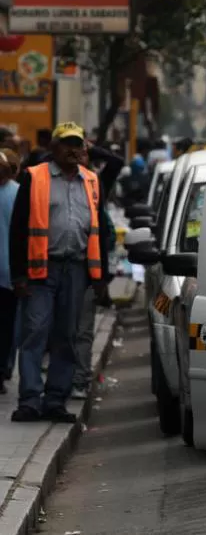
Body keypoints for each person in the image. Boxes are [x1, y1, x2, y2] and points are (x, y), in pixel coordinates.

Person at [8, 122, 111, 423]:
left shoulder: (91, 181)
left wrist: (101, 277)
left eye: (77, 144)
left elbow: (100, 232)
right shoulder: (34, 177)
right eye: (66, 143)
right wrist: (19, 275)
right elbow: (18, 229)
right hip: (42, 270)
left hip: (76, 270)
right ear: (53, 148)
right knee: (35, 333)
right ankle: (29, 400)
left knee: (67, 335)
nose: (72, 149)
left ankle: (55, 399)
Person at [71, 142, 124, 399]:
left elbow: (116, 162)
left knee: (83, 329)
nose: (77, 158)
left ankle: (79, 380)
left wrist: (92, 148)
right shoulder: (49, 180)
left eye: (81, 154)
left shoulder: (95, 183)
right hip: (59, 268)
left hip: (88, 268)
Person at [0, 148, 20, 393]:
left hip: (9, 272)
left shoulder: (16, 193)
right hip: (10, 272)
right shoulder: (18, 193)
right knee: (7, 325)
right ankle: (3, 369)